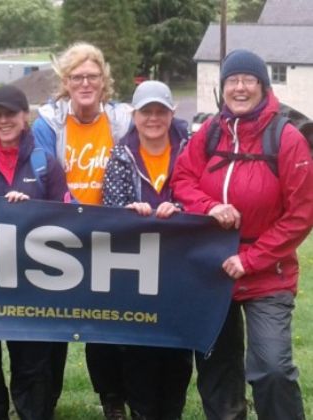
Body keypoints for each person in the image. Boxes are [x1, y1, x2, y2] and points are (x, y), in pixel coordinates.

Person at [171, 49, 313, 420]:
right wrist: (208, 206)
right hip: (214, 270)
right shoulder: (210, 132)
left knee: (272, 367)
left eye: (248, 80)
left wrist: (249, 260)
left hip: (268, 272)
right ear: (223, 88)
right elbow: (183, 179)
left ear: (263, 86)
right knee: (218, 368)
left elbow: (301, 214)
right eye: (232, 80)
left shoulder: (287, 137)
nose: (239, 88)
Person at [31, 41, 132, 419]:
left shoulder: (121, 121)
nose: (85, 83)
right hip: (60, 235)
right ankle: (45, 402)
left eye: (92, 76)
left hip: (109, 237)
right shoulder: (49, 123)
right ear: (65, 81)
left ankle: (113, 399)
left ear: (103, 80)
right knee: (54, 326)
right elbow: (40, 172)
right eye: (77, 77)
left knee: (106, 324)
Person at [0, 85, 68, 420]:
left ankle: (32, 413)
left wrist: (32, 209)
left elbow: (66, 211)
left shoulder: (44, 161)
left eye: (10, 114)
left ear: (25, 117)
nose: (3, 121)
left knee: (32, 357)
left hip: (32, 279)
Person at [102, 81, 192, 420]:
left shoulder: (189, 148)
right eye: (146, 112)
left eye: (160, 111)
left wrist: (179, 208)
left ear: (171, 114)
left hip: (179, 267)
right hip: (136, 269)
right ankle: (142, 411)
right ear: (134, 115)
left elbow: (199, 196)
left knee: (177, 350)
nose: (153, 118)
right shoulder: (120, 154)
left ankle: (172, 411)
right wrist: (130, 210)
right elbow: (112, 208)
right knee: (139, 348)